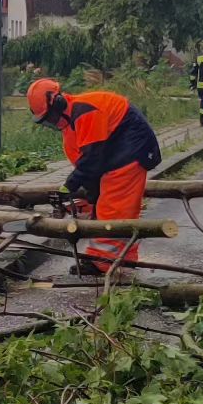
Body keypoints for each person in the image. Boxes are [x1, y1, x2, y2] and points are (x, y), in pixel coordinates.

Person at [27, 79, 163, 273]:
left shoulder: (85, 113)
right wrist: (90, 196)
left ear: (58, 103)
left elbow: (91, 160)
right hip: (116, 149)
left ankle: (101, 261)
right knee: (115, 208)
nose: (52, 122)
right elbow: (88, 167)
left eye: (51, 117)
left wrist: (69, 187)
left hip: (132, 147)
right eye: (46, 120)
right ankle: (125, 258)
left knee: (114, 208)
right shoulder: (71, 127)